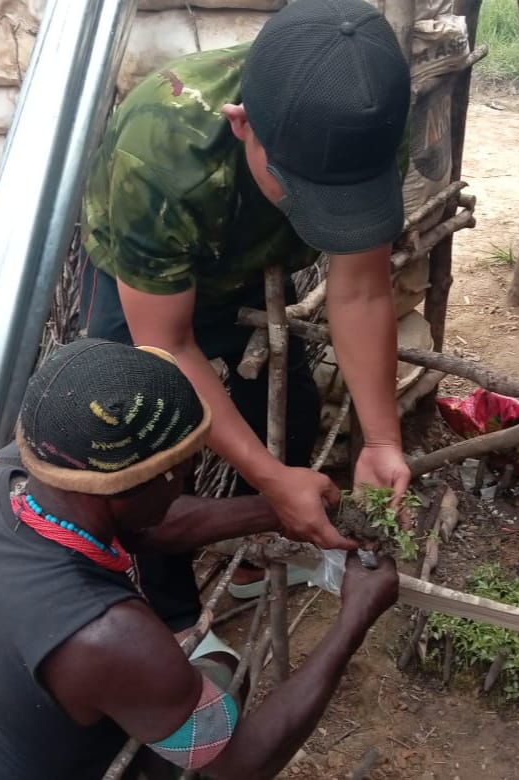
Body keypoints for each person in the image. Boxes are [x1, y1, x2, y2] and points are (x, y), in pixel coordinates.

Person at [0, 339, 399, 780]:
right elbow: (243, 761)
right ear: (132, 486)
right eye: (184, 470)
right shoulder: (107, 635)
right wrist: (354, 617)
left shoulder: (10, 478)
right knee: (222, 674)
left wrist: (277, 509)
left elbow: (145, 521)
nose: (189, 477)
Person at [80, 0, 412, 614]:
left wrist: (381, 440)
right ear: (241, 124)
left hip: (250, 262)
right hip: (147, 277)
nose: (321, 212)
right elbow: (167, 344)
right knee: (145, 448)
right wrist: (270, 482)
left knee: (291, 407)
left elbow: (362, 289)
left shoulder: (369, 117)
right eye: (302, 190)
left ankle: (257, 561)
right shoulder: (162, 150)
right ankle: (175, 621)